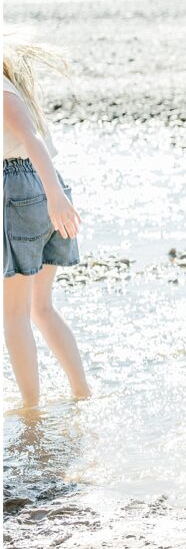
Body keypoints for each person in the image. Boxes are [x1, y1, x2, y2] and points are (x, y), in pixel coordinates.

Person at [3, 34, 90, 404]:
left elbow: (30, 138)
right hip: (45, 185)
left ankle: (31, 411)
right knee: (40, 308)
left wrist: (55, 199)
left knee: (14, 313)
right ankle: (82, 394)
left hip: (26, 189)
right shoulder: (10, 84)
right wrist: (54, 195)